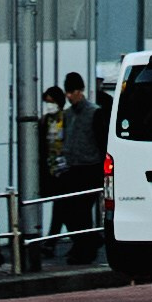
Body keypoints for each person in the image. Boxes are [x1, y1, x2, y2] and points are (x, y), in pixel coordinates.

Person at [53, 70, 108, 251]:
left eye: (72, 92)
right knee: (71, 211)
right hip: (73, 168)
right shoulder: (67, 115)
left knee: (82, 211)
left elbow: (102, 143)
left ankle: (84, 247)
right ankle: (88, 242)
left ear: (80, 91)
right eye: (67, 92)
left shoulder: (94, 113)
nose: (69, 96)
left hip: (90, 168)